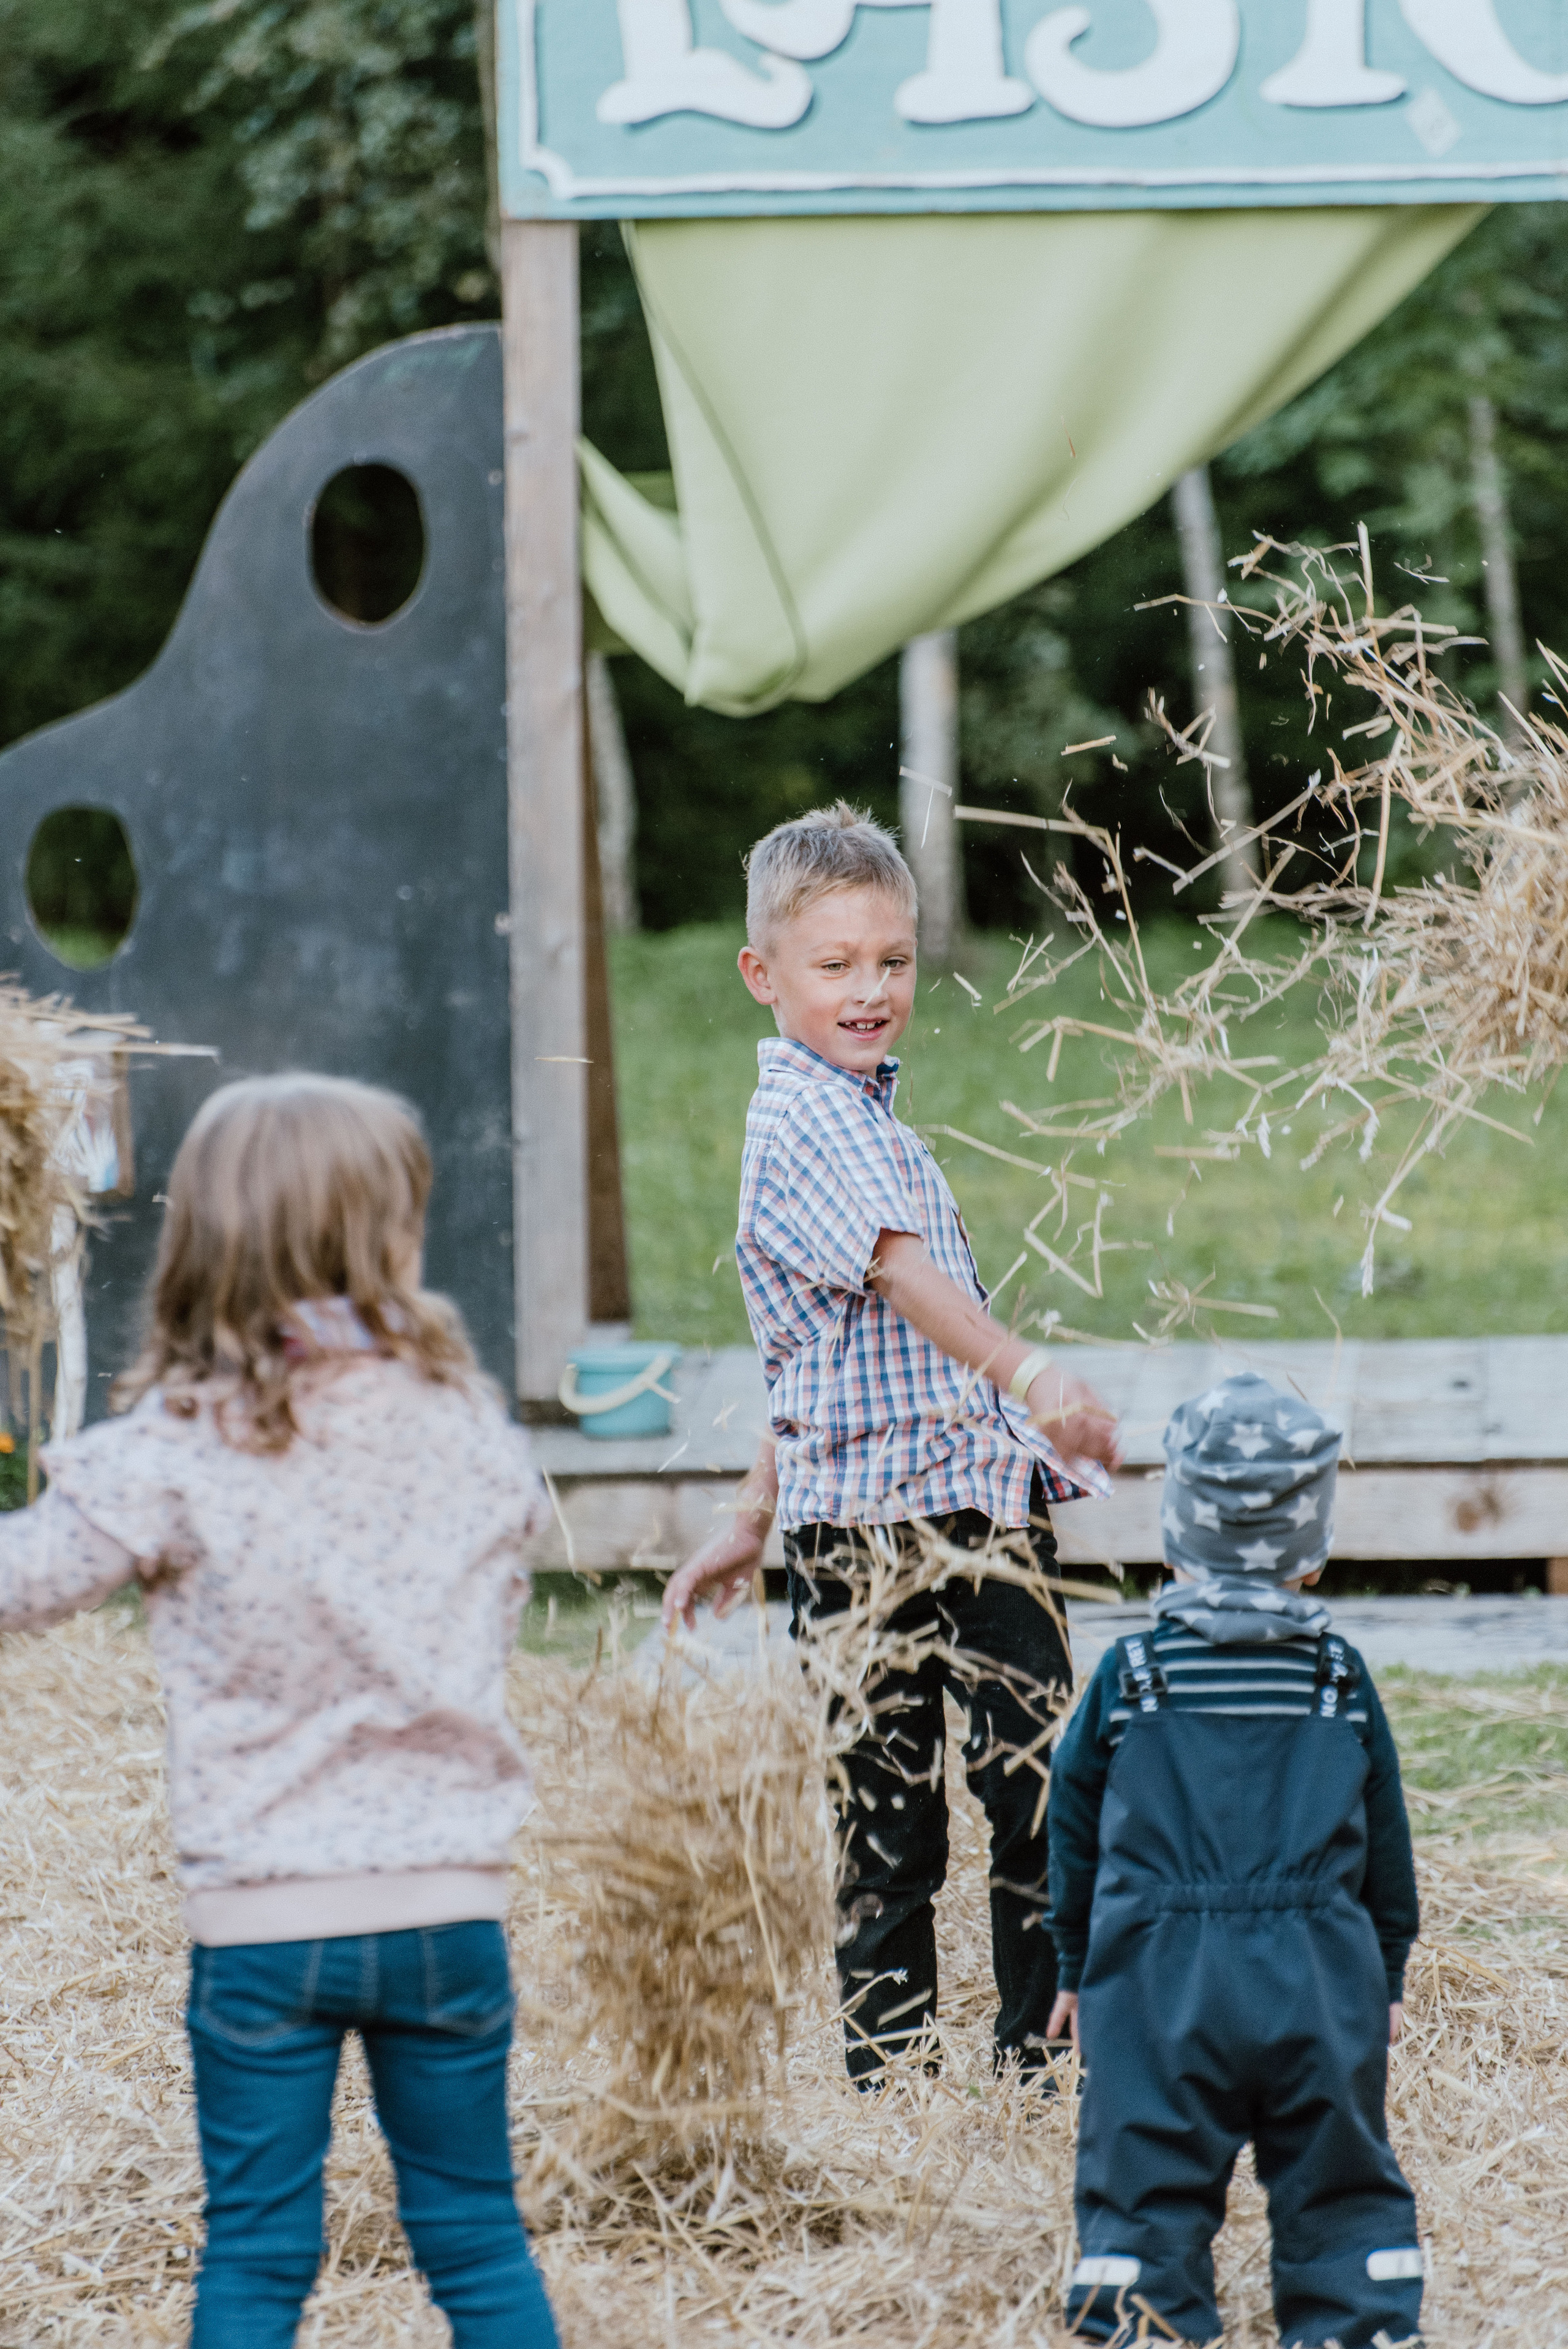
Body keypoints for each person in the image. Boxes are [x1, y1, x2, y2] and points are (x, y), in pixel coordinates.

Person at [0, 1074, 559, 2349]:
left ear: (207, 1241)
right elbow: (519, 1517)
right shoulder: (460, 1423)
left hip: (266, 1921)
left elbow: (26, 1579)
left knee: (258, 2252)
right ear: (390, 1240)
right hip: (444, 1908)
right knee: (476, 2239)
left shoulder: (187, 1442)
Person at [662, 802, 1121, 2086]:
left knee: (1035, 1784)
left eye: (893, 961)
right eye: (835, 965)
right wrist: (1026, 1372)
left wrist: (749, 1511)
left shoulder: (871, 1119)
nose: (871, 990)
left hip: (972, 1506)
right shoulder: (799, 1122)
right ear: (763, 975)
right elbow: (902, 1277)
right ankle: (893, 2086)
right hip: (874, 1536)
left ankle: (1037, 2067)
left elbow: (803, 1356)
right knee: (886, 1817)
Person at [1046, 1371, 1423, 2349]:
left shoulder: (1136, 1678)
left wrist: (1076, 1968)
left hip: (1158, 1983)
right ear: (1312, 1547)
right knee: (1338, 2184)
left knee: (1145, 2181)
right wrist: (1381, 1974)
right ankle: (1358, 2325)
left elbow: (1074, 1823)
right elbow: (1386, 1844)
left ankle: (1142, 2322)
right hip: (1315, 1981)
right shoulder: (1337, 1679)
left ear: (1177, 1530)